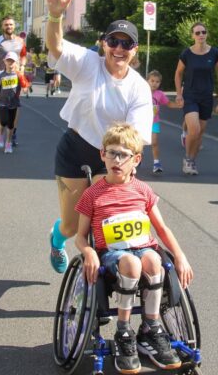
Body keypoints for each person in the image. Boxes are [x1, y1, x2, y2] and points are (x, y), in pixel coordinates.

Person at [42, 0, 153, 274]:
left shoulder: (139, 88)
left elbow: (136, 137)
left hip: (114, 157)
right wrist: (55, 15)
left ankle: (106, 280)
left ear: (135, 49)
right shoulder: (87, 63)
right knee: (70, 225)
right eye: (113, 41)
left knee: (108, 223)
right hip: (76, 149)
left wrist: (125, 165)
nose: (119, 48)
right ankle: (56, 237)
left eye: (126, 43)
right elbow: (55, 46)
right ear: (103, 43)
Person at [75, 122, 192, 373]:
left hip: (143, 247)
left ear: (136, 159)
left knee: (153, 260)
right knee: (132, 263)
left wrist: (180, 256)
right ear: (102, 155)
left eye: (123, 155)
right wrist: (87, 252)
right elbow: (80, 237)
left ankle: (151, 326)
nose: (116, 160)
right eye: (111, 153)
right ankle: (123, 331)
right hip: (113, 255)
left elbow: (161, 230)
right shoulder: (93, 194)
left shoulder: (143, 190)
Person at [174, 22, 218, 175]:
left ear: (207, 34)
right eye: (197, 33)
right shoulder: (186, 54)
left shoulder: (214, 53)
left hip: (206, 96)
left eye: (203, 32)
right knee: (194, 129)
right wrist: (178, 93)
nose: (201, 35)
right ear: (192, 36)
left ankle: (192, 160)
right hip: (190, 95)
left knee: (200, 133)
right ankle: (187, 159)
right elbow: (178, 73)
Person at [0, 16, 26, 144]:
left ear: (14, 26)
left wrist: (23, 67)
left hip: (15, 80)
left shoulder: (20, 41)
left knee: (16, 107)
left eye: (11, 25)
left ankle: (13, 133)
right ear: (2, 27)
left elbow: (23, 56)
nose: (9, 27)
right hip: (1, 79)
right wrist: (0, 75)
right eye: (6, 25)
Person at [0, 52, 29, 154]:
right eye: (8, 61)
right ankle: (0, 135)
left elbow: (25, 85)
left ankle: (8, 143)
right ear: (4, 62)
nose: (10, 63)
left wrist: (25, 89)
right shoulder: (1, 74)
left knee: (11, 125)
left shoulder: (18, 75)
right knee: (3, 121)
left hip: (14, 103)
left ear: (16, 63)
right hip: (3, 102)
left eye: (12, 62)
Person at [147, 70, 182, 174]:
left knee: (154, 142)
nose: (154, 83)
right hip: (142, 121)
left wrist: (178, 105)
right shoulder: (142, 91)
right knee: (139, 143)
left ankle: (156, 163)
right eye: (152, 81)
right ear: (147, 81)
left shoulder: (160, 94)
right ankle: (136, 159)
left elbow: (169, 104)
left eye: (157, 82)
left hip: (154, 122)